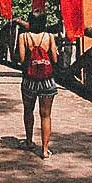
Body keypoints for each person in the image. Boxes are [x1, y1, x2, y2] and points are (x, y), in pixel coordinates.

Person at [16, 10, 58, 158]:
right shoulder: (49, 37)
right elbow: (55, 58)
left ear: (30, 22)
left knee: (28, 111)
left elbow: (21, 59)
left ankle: (29, 141)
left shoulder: (23, 37)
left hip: (29, 81)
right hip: (47, 81)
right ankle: (45, 150)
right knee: (46, 115)